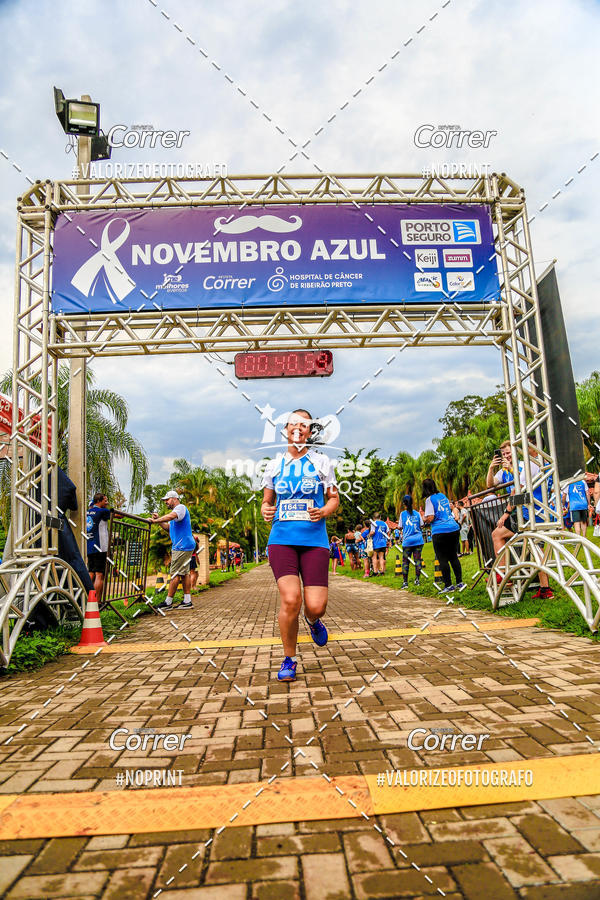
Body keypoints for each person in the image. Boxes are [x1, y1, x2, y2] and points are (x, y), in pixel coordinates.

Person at [261, 408, 339, 682]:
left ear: (309, 431)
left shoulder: (322, 463)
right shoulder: (274, 465)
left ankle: (313, 621)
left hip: (314, 540)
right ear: (285, 430)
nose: (298, 428)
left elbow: (333, 499)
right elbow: (266, 501)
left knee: (315, 606)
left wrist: (325, 511)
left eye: (303, 424)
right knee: (291, 599)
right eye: (292, 423)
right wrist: (266, 510)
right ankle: (288, 659)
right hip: (282, 539)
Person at [487, 442, 554, 599]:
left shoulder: (526, 465)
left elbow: (520, 489)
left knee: (497, 534)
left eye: (509, 453)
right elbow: (490, 485)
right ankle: (545, 589)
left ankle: (503, 575)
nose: (507, 456)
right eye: (504, 454)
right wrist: (491, 469)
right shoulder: (505, 472)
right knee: (536, 549)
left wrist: (505, 513)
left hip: (528, 512)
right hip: (535, 512)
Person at [148, 490, 195, 610]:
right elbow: (168, 527)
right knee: (184, 573)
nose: (166, 503)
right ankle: (187, 601)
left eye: (167, 500)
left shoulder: (180, 508)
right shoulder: (176, 512)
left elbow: (171, 516)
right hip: (184, 545)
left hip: (181, 546)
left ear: (174, 498)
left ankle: (168, 602)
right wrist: (159, 521)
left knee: (175, 574)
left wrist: (155, 521)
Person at [422, 478, 464, 593]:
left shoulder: (429, 500)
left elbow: (430, 518)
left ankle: (449, 585)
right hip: (453, 528)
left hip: (440, 531)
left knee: (443, 559)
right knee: (453, 557)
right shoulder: (442, 496)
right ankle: (460, 582)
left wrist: (424, 519)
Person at [86, 492, 111, 603]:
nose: (107, 503)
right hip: (100, 546)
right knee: (99, 575)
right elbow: (116, 515)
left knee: (91, 573)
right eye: (105, 501)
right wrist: (107, 507)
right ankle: (97, 602)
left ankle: (87, 599)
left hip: (89, 546)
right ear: (99, 501)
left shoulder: (88, 511)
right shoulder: (103, 511)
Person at [400, 494, 424, 589]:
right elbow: (422, 525)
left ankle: (405, 583)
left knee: (405, 561)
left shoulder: (402, 514)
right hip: (418, 540)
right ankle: (417, 580)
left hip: (407, 542)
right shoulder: (417, 514)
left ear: (404, 503)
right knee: (417, 560)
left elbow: (400, 526)